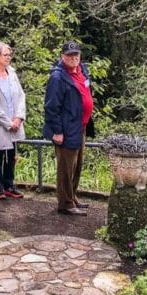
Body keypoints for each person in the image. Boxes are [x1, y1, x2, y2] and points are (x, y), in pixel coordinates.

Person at [42, 41, 96, 216]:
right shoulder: (58, 78)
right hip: (65, 129)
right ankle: (65, 203)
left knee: (77, 165)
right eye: (70, 55)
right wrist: (57, 131)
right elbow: (51, 107)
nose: (74, 58)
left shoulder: (83, 70)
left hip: (80, 126)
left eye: (76, 55)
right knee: (66, 167)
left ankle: (72, 197)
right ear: (62, 56)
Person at [0, 42, 26, 200]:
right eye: (5, 55)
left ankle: (9, 184)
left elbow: (21, 96)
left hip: (15, 120)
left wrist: (18, 117)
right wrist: (8, 123)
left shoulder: (12, 73)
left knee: (12, 154)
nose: (8, 57)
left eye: (10, 54)